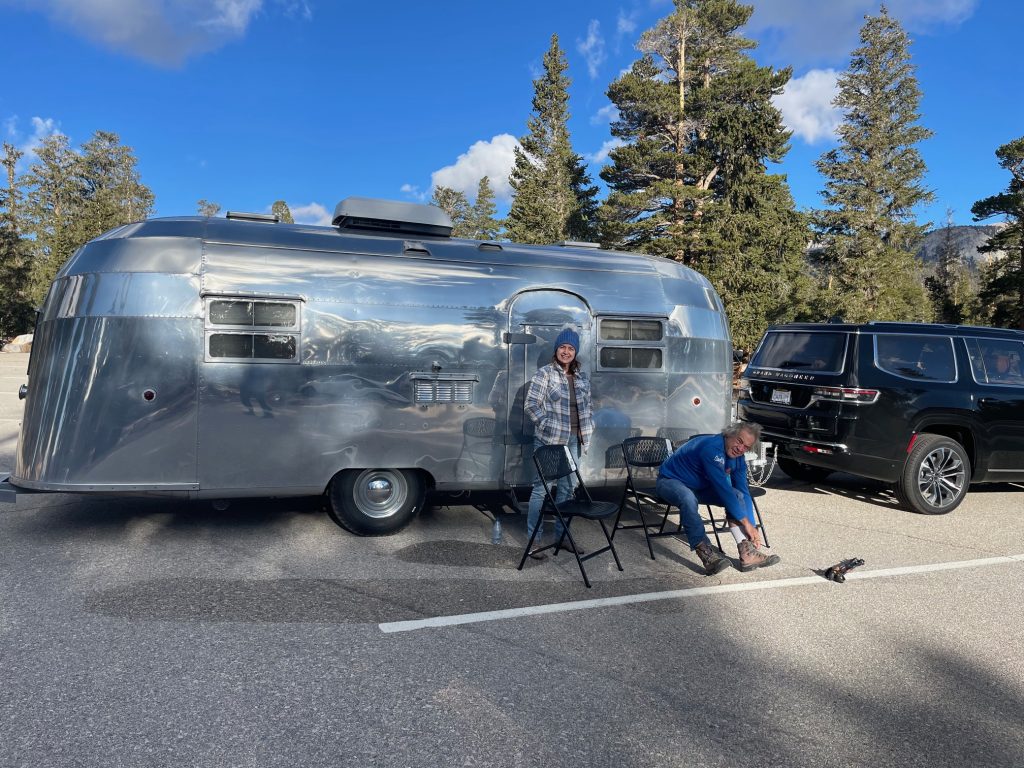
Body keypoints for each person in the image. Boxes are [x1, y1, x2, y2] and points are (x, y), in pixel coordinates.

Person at [656, 421, 780, 575]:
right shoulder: (712, 448)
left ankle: (748, 553)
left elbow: (743, 491)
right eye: (739, 441)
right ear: (728, 434)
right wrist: (746, 523)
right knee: (688, 498)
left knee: (738, 495)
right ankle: (706, 555)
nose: (741, 448)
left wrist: (752, 528)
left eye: (746, 447)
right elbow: (723, 489)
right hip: (670, 481)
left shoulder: (738, 458)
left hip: (699, 488)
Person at [523, 328, 594, 559]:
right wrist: (546, 425)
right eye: (562, 347)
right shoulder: (545, 374)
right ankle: (534, 541)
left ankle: (562, 537)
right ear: (556, 350)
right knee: (541, 489)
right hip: (550, 440)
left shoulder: (581, 377)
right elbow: (531, 405)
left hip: (574, 441)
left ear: (575, 352)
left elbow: (588, 407)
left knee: (567, 489)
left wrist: (587, 428)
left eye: (571, 348)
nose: (566, 352)